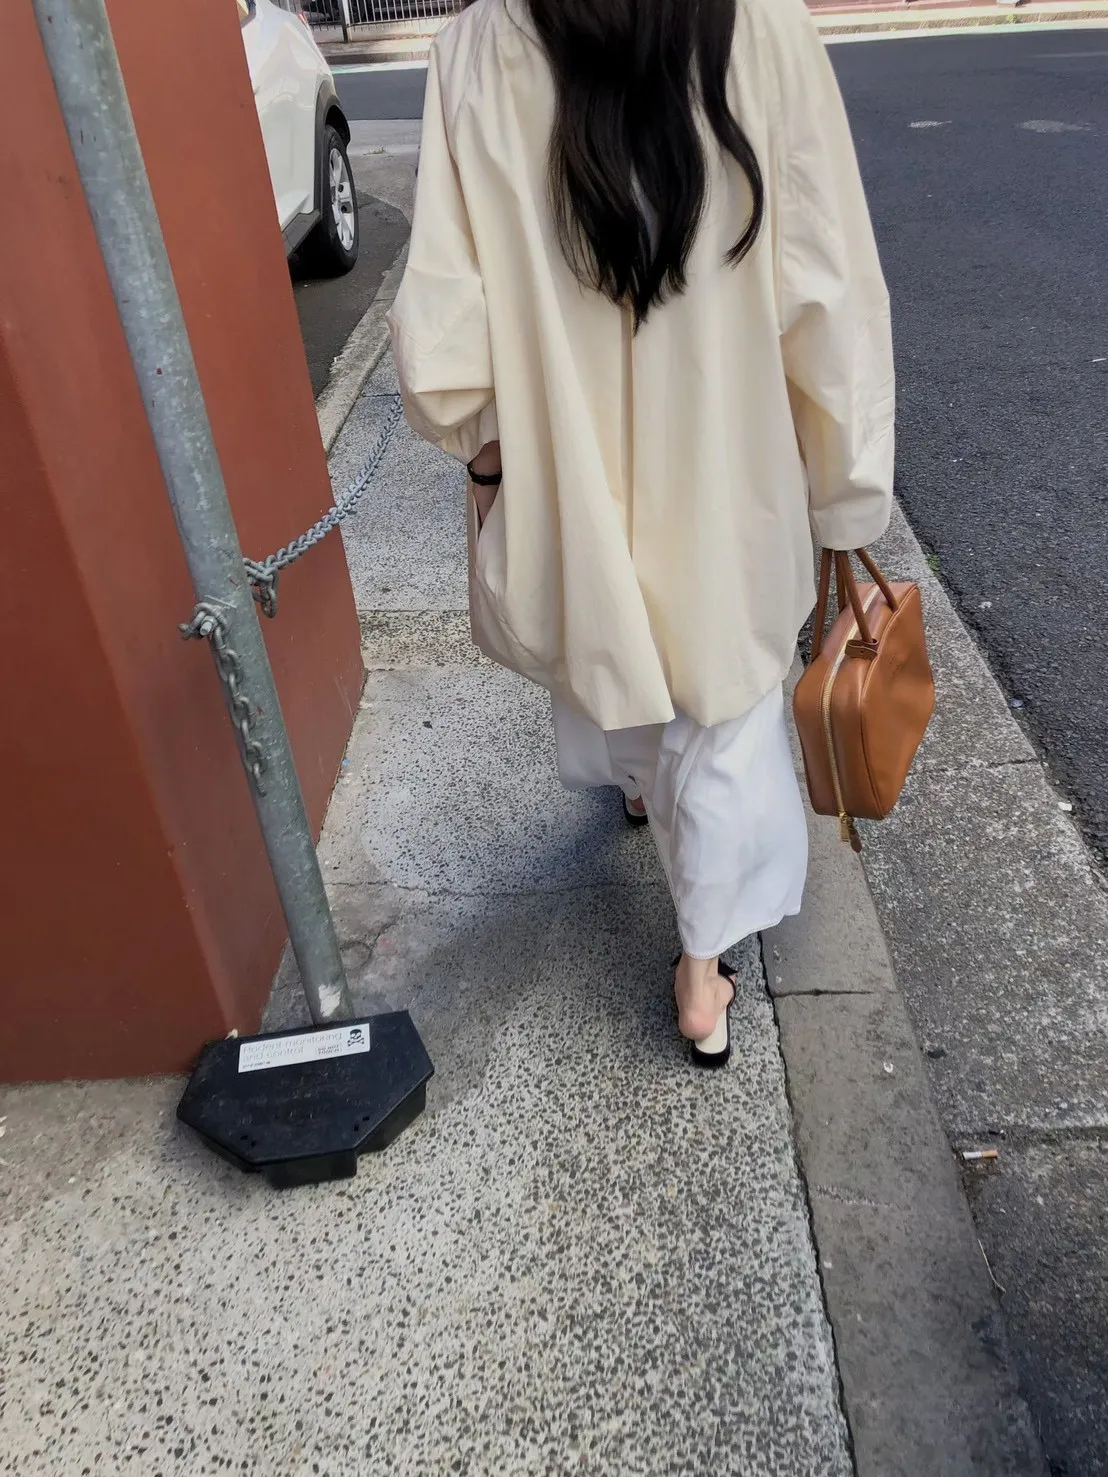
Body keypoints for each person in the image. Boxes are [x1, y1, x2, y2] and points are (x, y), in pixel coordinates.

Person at [388, 0, 894, 1067]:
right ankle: (702, 970)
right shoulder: (763, 26)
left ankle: (633, 785)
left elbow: (444, 325)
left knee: (602, 639)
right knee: (724, 705)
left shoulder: (476, 46)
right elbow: (827, 288)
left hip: (564, 465)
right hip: (729, 460)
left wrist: (485, 455)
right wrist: (846, 489)